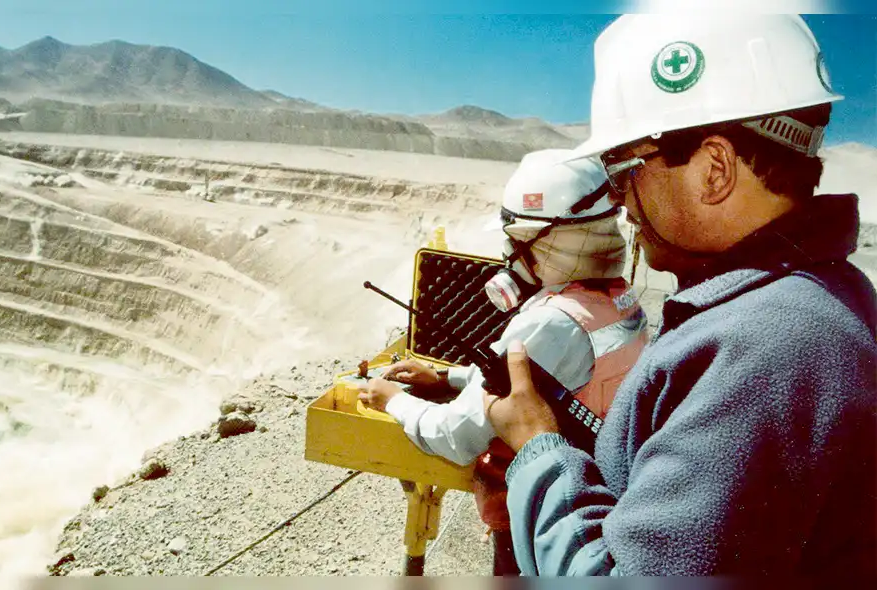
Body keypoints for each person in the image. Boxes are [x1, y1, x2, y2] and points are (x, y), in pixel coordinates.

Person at [483, 14, 877, 576]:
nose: (621, 202)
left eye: (623, 170)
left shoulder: (766, 347)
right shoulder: (809, 298)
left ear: (714, 170)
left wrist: (537, 450)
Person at [358, 148, 650, 575]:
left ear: (548, 241)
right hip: (588, 492)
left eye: (516, 240)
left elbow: (454, 436)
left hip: (536, 522)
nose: (510, 254)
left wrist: (392, 400)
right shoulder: (618, 300)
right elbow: (546, 382)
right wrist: (446, 377)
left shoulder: (548, 323)